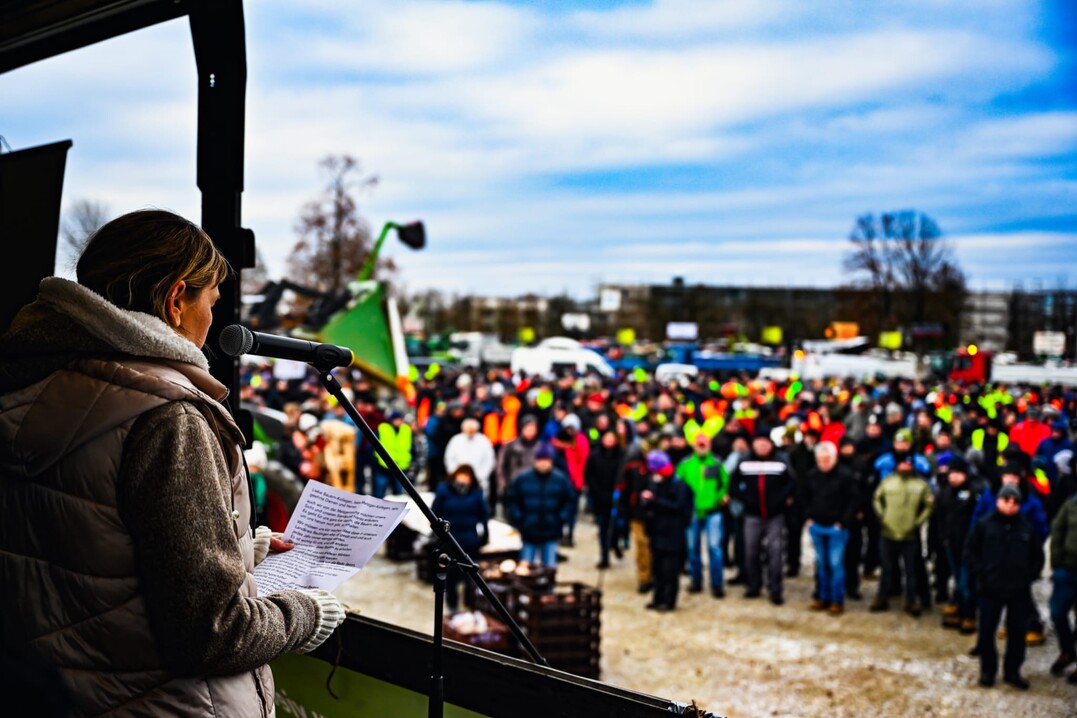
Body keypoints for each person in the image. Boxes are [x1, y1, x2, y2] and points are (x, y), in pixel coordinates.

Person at [0, 209, 345, 715]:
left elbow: (94, 549)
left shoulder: (35, 382)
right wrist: (307, 612)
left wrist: (238, 550)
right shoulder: (167, 417)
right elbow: (213, 633)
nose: (214, 319)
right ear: (177, 299)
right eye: (212, 301)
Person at [965, 485, 1044, 690]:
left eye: (1015, 502)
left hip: (1018, 590)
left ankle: (1013, 671)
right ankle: (988, 671)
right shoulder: (984, 525)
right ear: (998, 501)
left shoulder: (1026, 528)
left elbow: (1037, 556)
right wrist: (981, 573)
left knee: (1017, 633)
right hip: (989, 588)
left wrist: (1028, 577)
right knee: (986, 632)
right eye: (1006, 500)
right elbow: (971, 552)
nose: (1010, 505)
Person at [730, 427, 795, 605]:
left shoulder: (781, 461)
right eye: (759, 443)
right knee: (751, 551)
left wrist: (781, 500)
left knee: (775, 552)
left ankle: (775, 589)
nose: (762, 446)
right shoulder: (744, 461)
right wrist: (745, 499)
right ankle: (754, 585)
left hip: (775, 515)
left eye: (765, 443)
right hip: (752, 515)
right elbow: (733, 483)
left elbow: (791, 483)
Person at [870, 451, 934, 616]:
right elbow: (877, 498)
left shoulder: (920, 485)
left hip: (910, 535)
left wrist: (918, 522)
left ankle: (911, 601)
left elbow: (929, 505)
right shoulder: (888, 481)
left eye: (908, 464)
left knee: (911, 570)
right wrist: (882, 516)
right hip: (888, 532)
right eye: (902, 463)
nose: (905, 466)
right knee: (887, 568)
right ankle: (882, 597)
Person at [803, 441, 858, 615]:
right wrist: (808, 517)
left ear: (834, 458)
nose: (824, 464)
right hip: (817, 525)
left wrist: (843, 521)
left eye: (827, 460)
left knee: (836, 564)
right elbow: (805, 496)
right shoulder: (812, 474)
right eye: (820, 460)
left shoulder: (845, 475)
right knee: (821, 564)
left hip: (836, 528)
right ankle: (822, 596)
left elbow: (853, 500)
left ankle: (836, 600)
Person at [934, 455, 986, 634]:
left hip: (969, 546)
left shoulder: (975, 491)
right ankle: (961, 610)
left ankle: (969, 615)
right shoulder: (945, 492)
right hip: (951, 543)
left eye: (958, 473)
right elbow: (940, 516)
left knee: (965, 583)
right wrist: (943, 537)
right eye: (951, 473)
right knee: (958, 581)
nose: (953, 477)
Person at [639, 450, 695, 612]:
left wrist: (655, 501)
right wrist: (647, 502)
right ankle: (657, 598)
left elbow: (678, 506)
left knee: (669, 570)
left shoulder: (678, 484)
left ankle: (669, 601)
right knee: (657, 569)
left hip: (673, 534)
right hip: (657, 532)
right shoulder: (655, 482)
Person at [675, 431, 729, 598]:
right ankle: (696, 581)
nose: (702, 445)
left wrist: (720, 498)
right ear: (693, 445)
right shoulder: (685, 464)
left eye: (705, 442)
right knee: (693, 549)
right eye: (699, 442)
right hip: (692, 513)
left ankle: (717, 584)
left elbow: (725, 484)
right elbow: (677, 485)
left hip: (713, 512)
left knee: (715, 548)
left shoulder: (717, 463)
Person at [431, 463, 491, 613]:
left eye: (467, 477)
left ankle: (470, 604)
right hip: (450, 540)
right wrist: (438, 533)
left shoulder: (476, 492)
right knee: (451, 575)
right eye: (462, 475)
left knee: (470, 575)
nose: (464, 479)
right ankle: (453, 604)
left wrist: (485, 534)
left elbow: (484, 514)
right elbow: (434, 512)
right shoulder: (444, 490)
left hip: (470, 539)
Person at [505, 442, 575, 568]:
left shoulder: (560, 479)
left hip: (551, 530)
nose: (543, 463)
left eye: (546, 460)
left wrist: (561, 518)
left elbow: (570, 500)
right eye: (540, 460)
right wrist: (518, 518)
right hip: (529, 530)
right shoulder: (522, 478)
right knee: (525, 567)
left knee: (549, 567)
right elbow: (512, 500)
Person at [584, 427, 625, 569]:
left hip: (616, 499)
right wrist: (597, 493)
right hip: (600, 498)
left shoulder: (621, 456)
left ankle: (615, 543)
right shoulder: (595, 456)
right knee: (603, 528)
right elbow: (589, 475)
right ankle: (604, 557)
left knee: (617, 526)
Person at [444, 416, 497, 502]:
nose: (470, 432)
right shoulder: (456, 440)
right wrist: (456, 474)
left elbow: (489, 460)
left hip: (479, 480)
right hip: (459, 479)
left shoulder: (483, 441)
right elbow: (449, 459)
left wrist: (481, 476)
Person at [373, 409, 413, 498]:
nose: (399, 421)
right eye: (396, 419)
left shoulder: (406, 429)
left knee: (398, 496)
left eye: (400, 419)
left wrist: (409, 461)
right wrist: (376, 460)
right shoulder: (383, 428)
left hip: (401, 468)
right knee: (379, 495)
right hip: (383, 467)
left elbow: (411, 446)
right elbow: (373, 445)